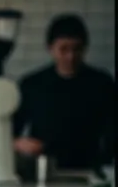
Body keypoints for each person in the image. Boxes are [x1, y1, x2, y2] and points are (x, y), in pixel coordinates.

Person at [12, 15, 114, 169]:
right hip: (43, 168)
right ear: (50, 48)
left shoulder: (102, 83)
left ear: (85, 47)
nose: (71, 56)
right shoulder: (32, 84)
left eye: (77, 49)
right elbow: (10, 130)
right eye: (64, 49)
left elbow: (113, 131)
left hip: (90, 169)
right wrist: (18, 143)